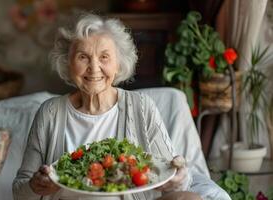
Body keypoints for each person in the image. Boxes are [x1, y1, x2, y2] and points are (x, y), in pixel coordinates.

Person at [13, 13, 209, 200]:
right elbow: (19, 192)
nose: (94, 67)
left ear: (119, 64)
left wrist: (177, 179)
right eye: (83, 56)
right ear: (67, 62)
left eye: (104, 57)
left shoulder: (141, 106)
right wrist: (35, 185)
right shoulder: (50, 112)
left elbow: (171, 175)